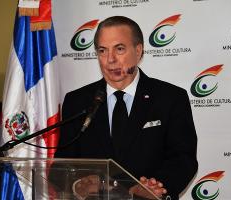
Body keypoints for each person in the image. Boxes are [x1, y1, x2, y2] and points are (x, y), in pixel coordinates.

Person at [54, 16, 198, 200]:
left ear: (138, 51)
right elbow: (63, 164)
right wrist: (77, 184)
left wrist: (156, 187)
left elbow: (183, 159)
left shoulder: (170, 98)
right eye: (102, 50)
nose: (110, 60)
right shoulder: (78, 101)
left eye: (119, 49)